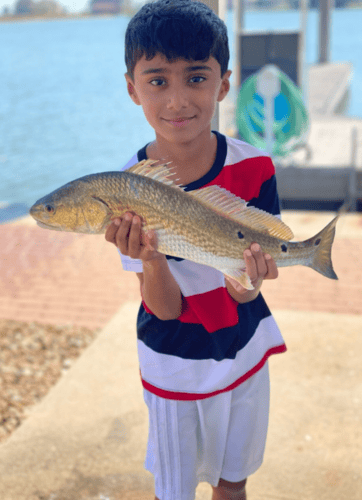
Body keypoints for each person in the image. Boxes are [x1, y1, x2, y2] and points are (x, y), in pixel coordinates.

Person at [105, 1, 286, 499]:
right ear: (131, 87)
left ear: (223, 84)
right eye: (158, 81)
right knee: (176, 491)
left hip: (243, 349)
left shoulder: (256, 170)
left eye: (197, 78)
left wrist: (249, 280)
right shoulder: (125, 188)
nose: (178, 100)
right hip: (175, 362)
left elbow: (248, 292)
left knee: (233, 485)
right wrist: (150, 256)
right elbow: (163, 308)